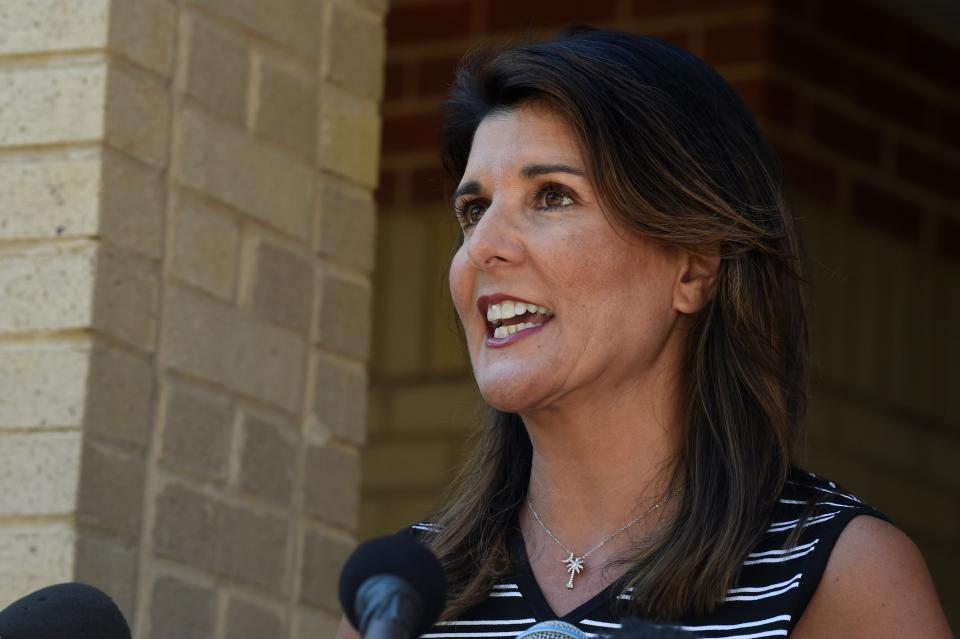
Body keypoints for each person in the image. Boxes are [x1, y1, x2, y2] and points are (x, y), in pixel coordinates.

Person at [337, 26, 953, 638]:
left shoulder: (841, 577)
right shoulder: (398, 603)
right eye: (474, 212)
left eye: (552, 196)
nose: (483, 248)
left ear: (692, 266)